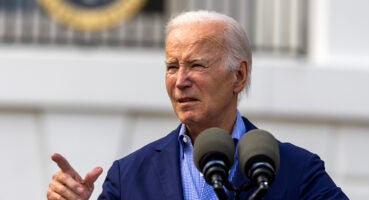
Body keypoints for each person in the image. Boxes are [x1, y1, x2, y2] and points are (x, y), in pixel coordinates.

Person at [47, 10, 348, 200]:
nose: (180, 81)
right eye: (172, 66)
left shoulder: (296, 169)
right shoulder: (130, 176)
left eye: (196, 65)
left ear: (239, 76)